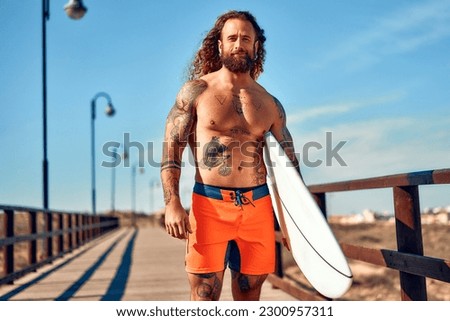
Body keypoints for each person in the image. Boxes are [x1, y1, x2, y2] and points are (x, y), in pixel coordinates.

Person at [160, 10, 300, 301]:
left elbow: (290, 165)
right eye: (232, 38)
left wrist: (294, 221)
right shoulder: (196, 91)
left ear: (255, 47)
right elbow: (172, 149)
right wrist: (172, 201)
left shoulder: (271, 104)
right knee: (204, 295)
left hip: (258, 207)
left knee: (250, 295)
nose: (239, 44)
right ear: (220, 45)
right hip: (210, 205)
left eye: (245, 38)